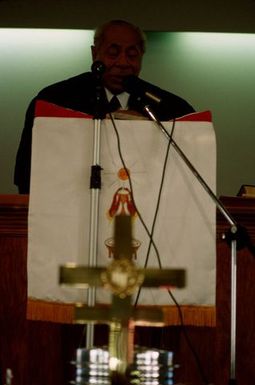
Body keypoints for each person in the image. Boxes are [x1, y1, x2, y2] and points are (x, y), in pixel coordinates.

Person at [14, 19, 195, 194]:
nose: (123, 63)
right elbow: (26, 174)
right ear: (95, 54)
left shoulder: (171, 108)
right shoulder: (55, 100)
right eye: (113, 53)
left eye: (132, 55)